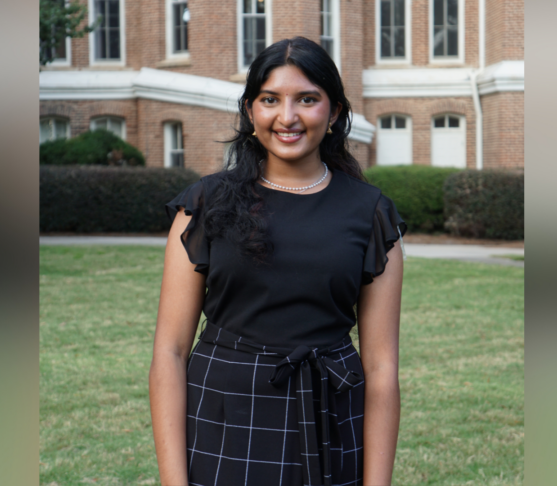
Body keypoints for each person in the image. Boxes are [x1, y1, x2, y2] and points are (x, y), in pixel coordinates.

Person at [149, 36, 407, 486]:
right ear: (251, 111)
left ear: (335, 113)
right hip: (225, 417)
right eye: (270, 100)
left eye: (307, 99)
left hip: (331, 414)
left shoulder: (371, 214)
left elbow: (382, 369)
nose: (287, 117)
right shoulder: (206, 204)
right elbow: (169, 353)